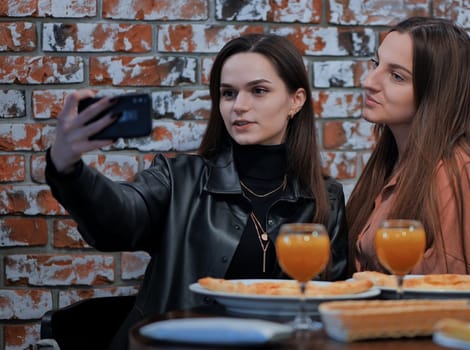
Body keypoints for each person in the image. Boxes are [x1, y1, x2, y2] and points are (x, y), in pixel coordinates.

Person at [45, 33, 348, 349]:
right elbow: (118, 217)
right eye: (228, 93)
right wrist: (68, 169)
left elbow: (333, 305)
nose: (239, 106)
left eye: (258, 91)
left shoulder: (325, 198)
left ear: (295, 100)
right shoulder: (179, 179)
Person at [346, 17, 470, 278]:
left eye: (396, 76)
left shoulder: (453, 172)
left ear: (434, 93)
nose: (370, 81)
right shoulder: (391, 162)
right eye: (376, 64)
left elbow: (447, 294)